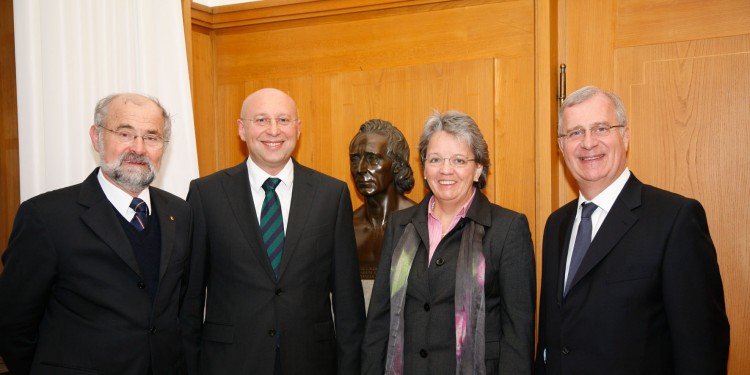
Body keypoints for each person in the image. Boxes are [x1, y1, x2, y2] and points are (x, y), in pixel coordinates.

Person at [535, 86, 730, 374]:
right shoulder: (556, 224)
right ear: (561, 147)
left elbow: (702, 349)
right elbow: (552, 340)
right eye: (574, 133)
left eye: (601, 128)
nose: (588, 143)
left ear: (625, 136)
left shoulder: (674, 219)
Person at [0, 93, 192, 375]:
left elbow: (180, 309)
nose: (138, 148)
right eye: (125, 133)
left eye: (151, 137)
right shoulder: (45, 216)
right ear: (97, 137)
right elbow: (13, 322)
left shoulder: (181, 213)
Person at [182, 88, 366, 375]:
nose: (273, 130)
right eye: (261, 120)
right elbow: (190, 300)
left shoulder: (332, 195)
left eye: (283, 120)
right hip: (228, 363)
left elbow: (348, 304)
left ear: (298, 128)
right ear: (242, 129)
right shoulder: (206, 194)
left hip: (312, 362)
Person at [362, 110, 536, 375]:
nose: (446, 170)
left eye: (458, 160)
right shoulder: (400, 225)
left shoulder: (507, 229)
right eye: (435, 159)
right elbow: (379, 320)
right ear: (424, 168)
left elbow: (517, 333)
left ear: (478, 168)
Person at [350, 119, 416, 280]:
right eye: (355, 159)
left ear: (397, 165)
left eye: (373, 159)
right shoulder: (347, 227)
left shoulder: (418, 223)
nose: (360, 169)